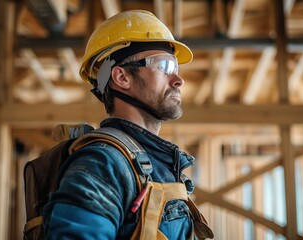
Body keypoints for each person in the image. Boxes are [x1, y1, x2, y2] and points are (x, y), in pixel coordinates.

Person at [43, 10, 212, 239]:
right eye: (164, 66)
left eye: (176, 68)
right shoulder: (103, 164)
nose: (178, 79)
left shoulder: (155, 164)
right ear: (122, 78)